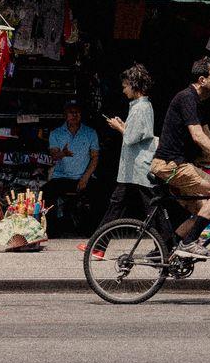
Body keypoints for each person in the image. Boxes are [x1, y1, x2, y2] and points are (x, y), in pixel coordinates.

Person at [151, 58, 210, 260]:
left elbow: (207, 133)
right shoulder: (186, 98)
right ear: (202, 80)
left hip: (175, 165)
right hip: (172, 166)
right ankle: (189, 243)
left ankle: (165, 251)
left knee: (204, 210)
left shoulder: (197, 102)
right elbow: (198, 136)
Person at [89, 65, 159, 253]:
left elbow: (131, 138)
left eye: (126, 86)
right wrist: (124, 125)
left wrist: (119, 127)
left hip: (138, 168)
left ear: (134, 85)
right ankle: (98, 246)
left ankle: (167, 245)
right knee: (117, 205)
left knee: (152, 209)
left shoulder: (140, 107)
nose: (124, 90)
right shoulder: (142, 106)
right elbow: (138, 132)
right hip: (132, 169)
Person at [43, 99, 100, 234]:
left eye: (77, 112)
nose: (74, 115)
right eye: (71, 112)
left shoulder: (90, 133)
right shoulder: (56, 133)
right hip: (61, 177)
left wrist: (85, 178)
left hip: (83, 178)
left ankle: (92, 232)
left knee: (99, 193)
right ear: (65, 115)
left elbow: (95, 157)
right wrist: (63, 153)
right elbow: (54, 156)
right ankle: (52, 231)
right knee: (45, 194)